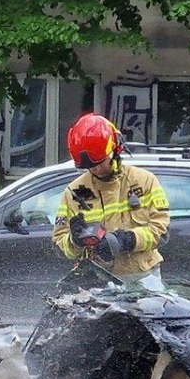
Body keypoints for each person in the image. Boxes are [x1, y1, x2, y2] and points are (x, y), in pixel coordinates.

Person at [51, 113, 170, 290]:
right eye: (90, 166)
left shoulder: (145, 181)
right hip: (97, 283)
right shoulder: (73, 192)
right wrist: (74, 241)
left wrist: (126, 240)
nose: (96, 169)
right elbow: (59, 246)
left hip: (144, 279)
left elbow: (162, 233)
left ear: (115, 149)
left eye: (100, 162)